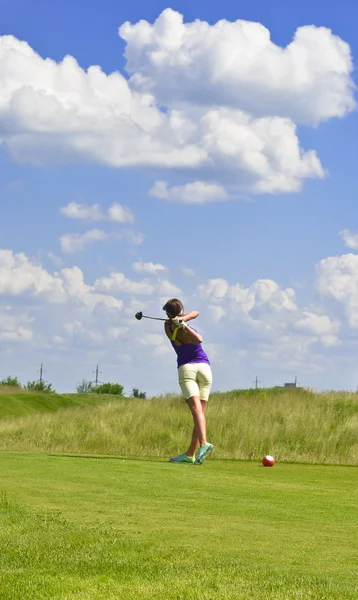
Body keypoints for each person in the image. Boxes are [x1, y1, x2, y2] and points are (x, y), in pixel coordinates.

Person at [163, 298, 213, 465]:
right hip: (205, 369)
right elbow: (197, 337)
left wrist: (183, 321)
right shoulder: (169, 325)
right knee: (199, 414)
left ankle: (204, 443)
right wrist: (183, 322)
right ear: (182, 309)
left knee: (196, 411)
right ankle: (191, 453)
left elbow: (198, 337)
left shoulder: (170, 325)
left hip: (188, 369)